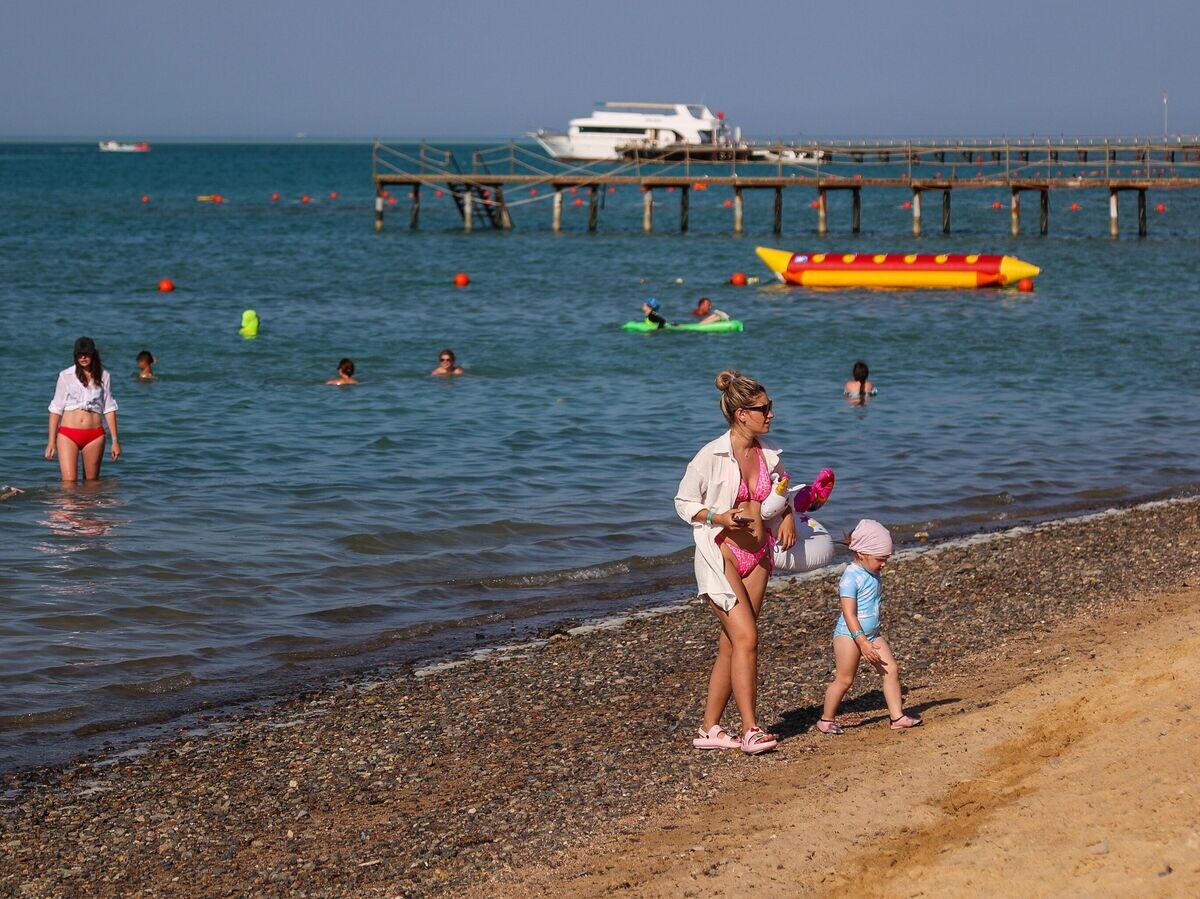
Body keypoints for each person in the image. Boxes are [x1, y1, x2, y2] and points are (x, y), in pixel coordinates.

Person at [675, 370, 797, 755]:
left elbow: (780, 495)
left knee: (733, 643)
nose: (771, 414)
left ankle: (710, 728)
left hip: (759, 557)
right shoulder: (710, 455)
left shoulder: (768, 454)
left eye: (770, 407)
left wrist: (789, 515)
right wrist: (719, 517)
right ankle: (751, 729)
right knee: (747, 638)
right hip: (723, 554)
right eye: (764, 408)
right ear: (741, 413)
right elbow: (683, 502)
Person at [816, 519, 922, 734]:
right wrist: (861, 641)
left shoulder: (872, 572)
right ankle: (826, 720)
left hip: (872, 634)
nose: (884, 564)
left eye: (886, 559)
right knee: (845, 680)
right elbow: (848, 612)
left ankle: (897, 717)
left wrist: (868, 638)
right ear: (862, 553)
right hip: (849, 635)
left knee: (891, 669)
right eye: (880, 559)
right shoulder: (850, 577)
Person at [45, 336, 121, 481]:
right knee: (69, 484)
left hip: (95, 436)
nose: (83, 357)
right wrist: (51, 441)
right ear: (75, 356)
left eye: (87, 353)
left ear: (93, 354)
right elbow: (56, 410)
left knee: (92, 485)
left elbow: (109, 408)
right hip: (68, 434)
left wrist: (115, 441)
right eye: (80, 354)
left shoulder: (104, 376)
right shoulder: (65, 376)